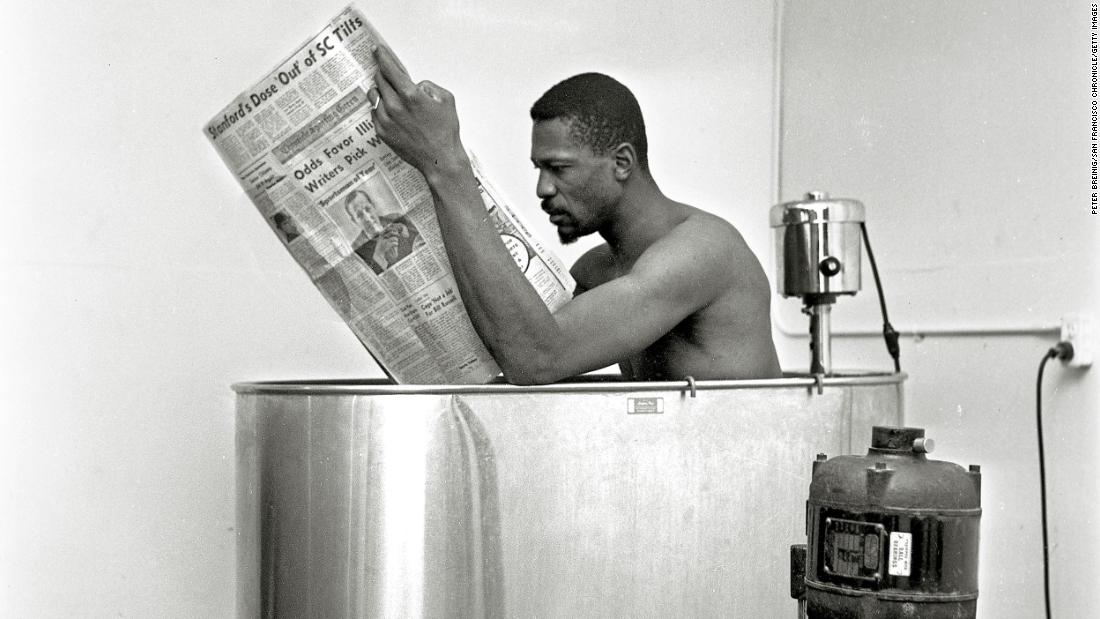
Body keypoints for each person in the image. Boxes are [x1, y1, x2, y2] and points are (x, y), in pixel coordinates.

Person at [368, 45, 781, 384]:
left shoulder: (703, 249)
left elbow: (536, 358)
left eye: (560, 168)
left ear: (621, 163)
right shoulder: (596, 270)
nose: (543, 189)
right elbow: (522, 359)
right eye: (539, 169)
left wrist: (446, 164)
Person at [355, 215, 421, 274]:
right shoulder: (359, 250)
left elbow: (413, 235)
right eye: (360, 215)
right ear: (355, 221)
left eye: (368, 209)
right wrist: (379, 256)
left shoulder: (398, 220)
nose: (368, 217)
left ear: (373, 207)